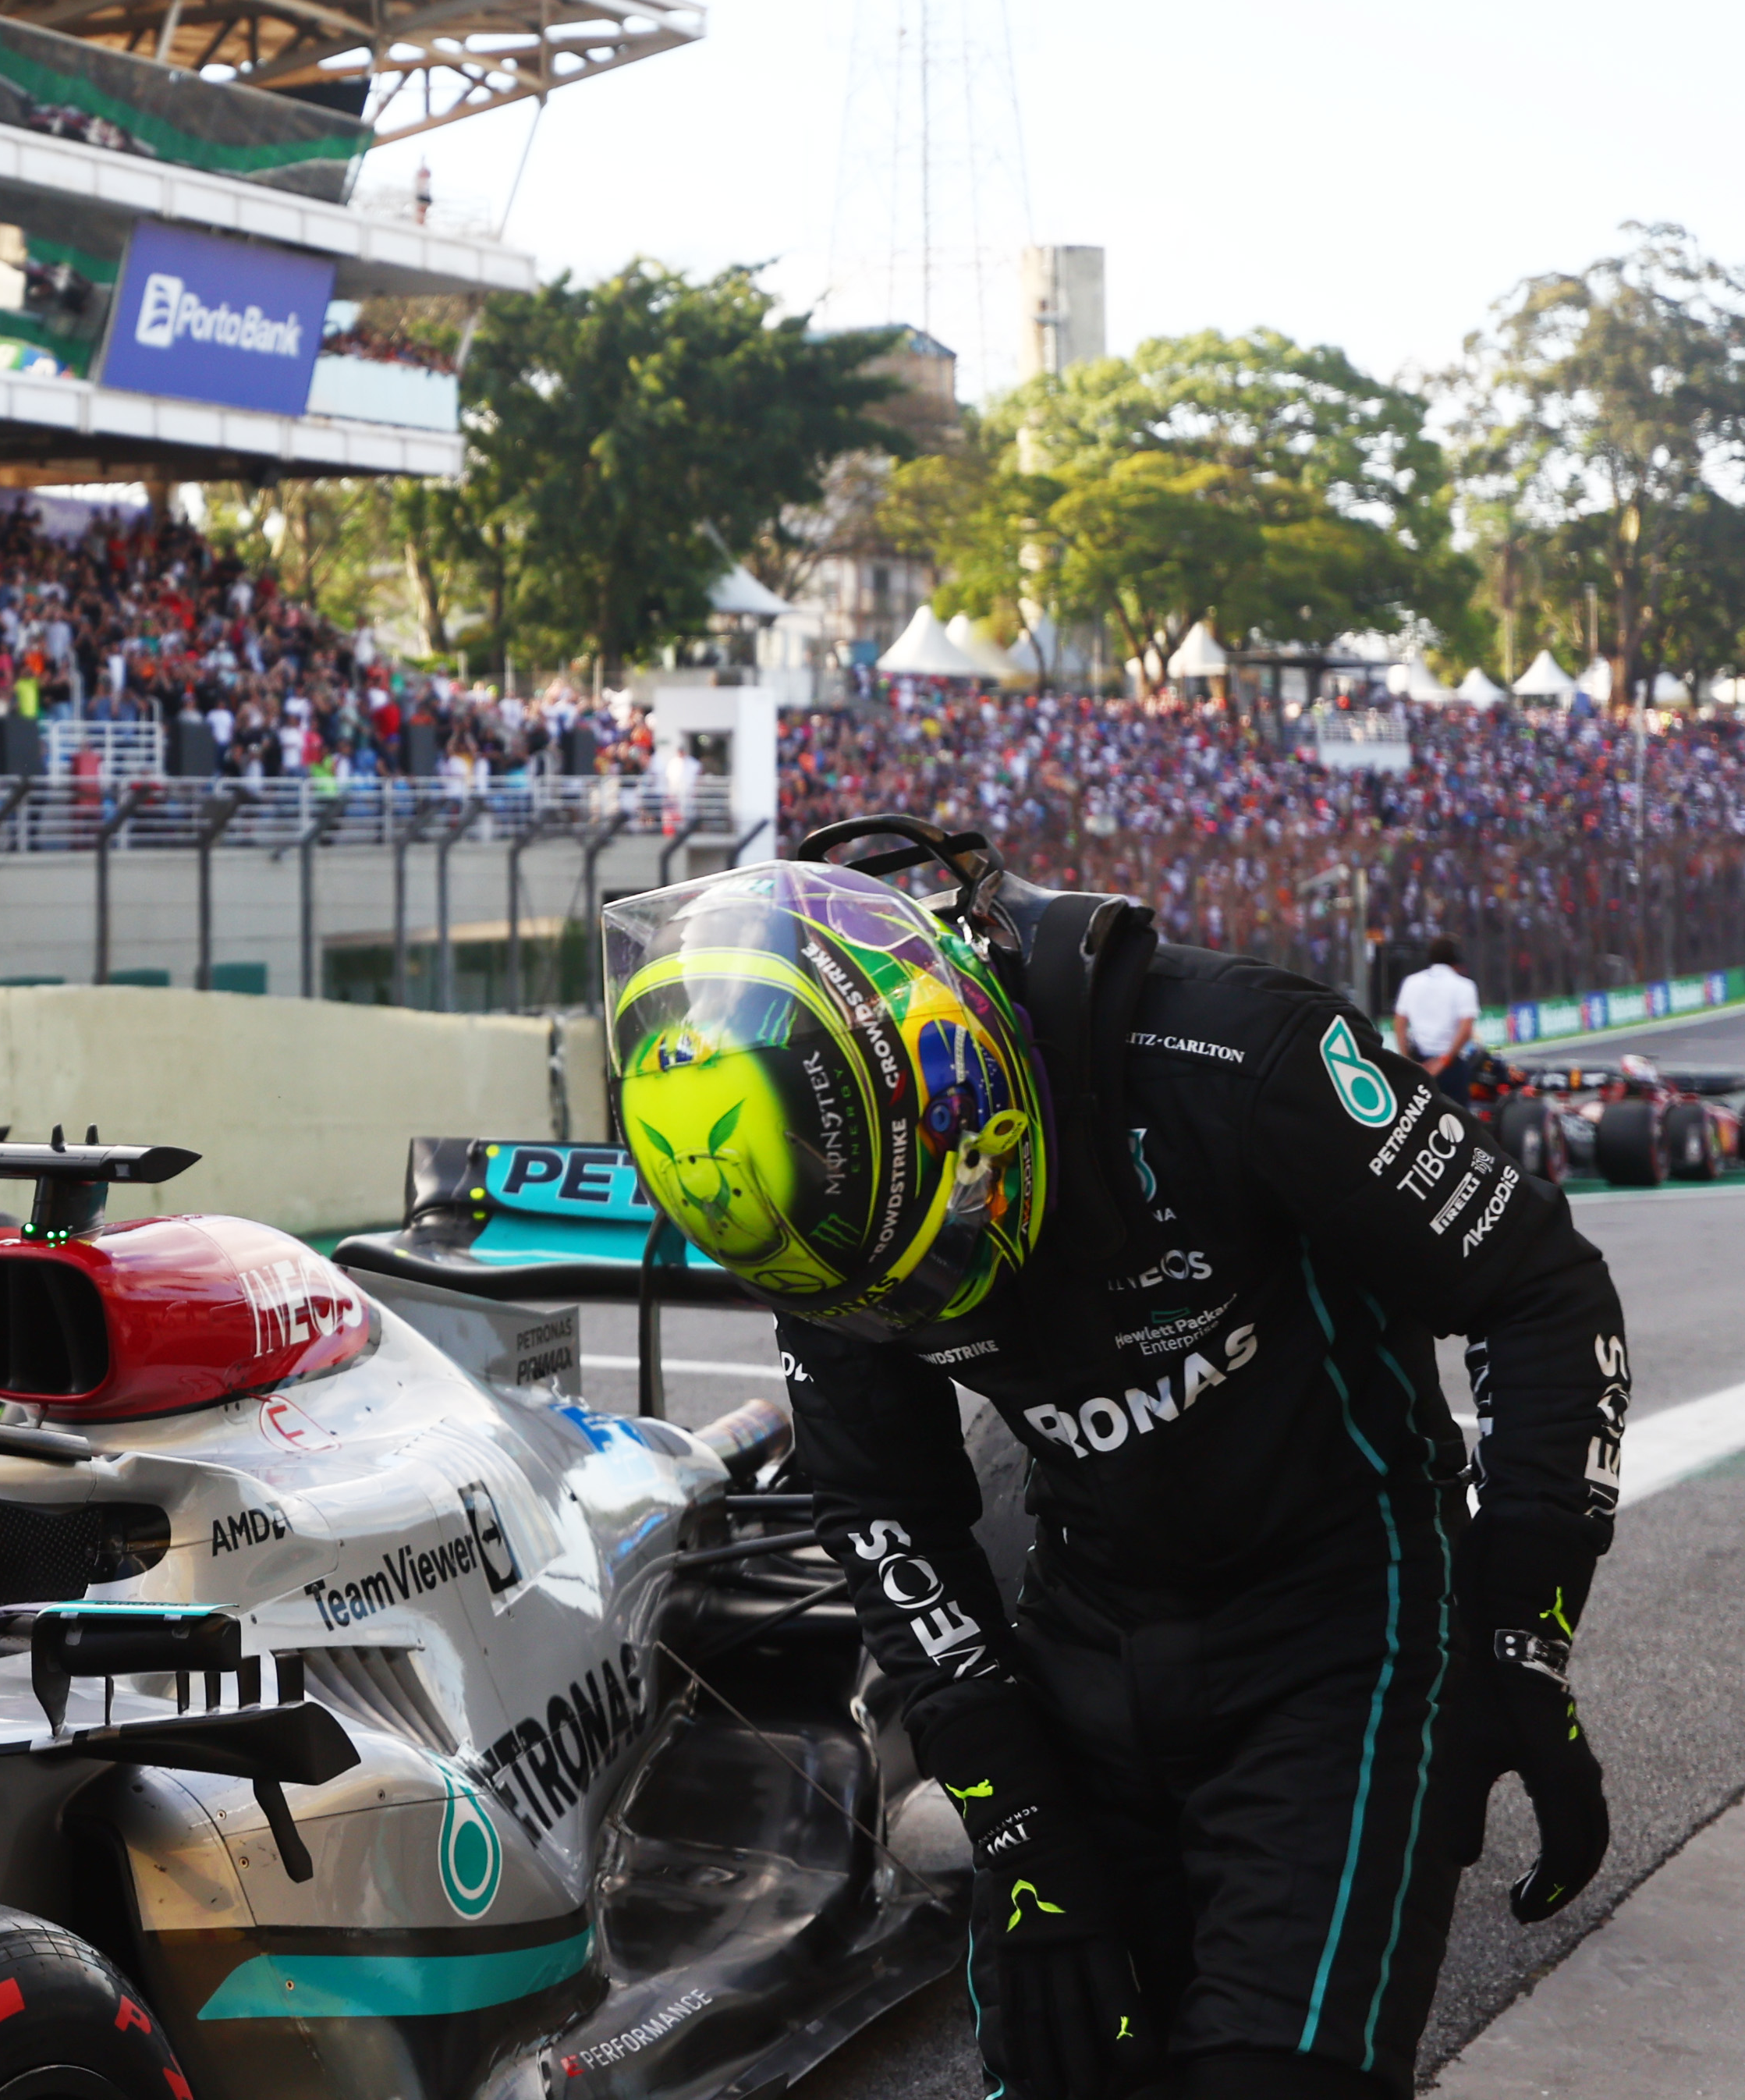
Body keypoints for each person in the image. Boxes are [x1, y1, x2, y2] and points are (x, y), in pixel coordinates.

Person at [605, 828, 1629, 2100]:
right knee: (1060, 2061)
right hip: (1081, 1635)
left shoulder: (1239, 1054)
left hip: (1340, 1629)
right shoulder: (820, 1220)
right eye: (879, 1293)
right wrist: (1018, 1819)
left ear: (955, 1063)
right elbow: (881, 1509)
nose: (922, 1301)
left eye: (939, 1244)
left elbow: (1543, 1289)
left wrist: (1522, 1619)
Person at [1392, 935, 1480, 1072]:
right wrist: (1444, 1061)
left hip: (1418, 1061)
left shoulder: (1411, 982)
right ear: (1457, 959)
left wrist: (1407, 1060)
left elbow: (1399, 1023)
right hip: (1452, 1065)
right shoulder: (1465, 986)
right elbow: (1466, 1029)